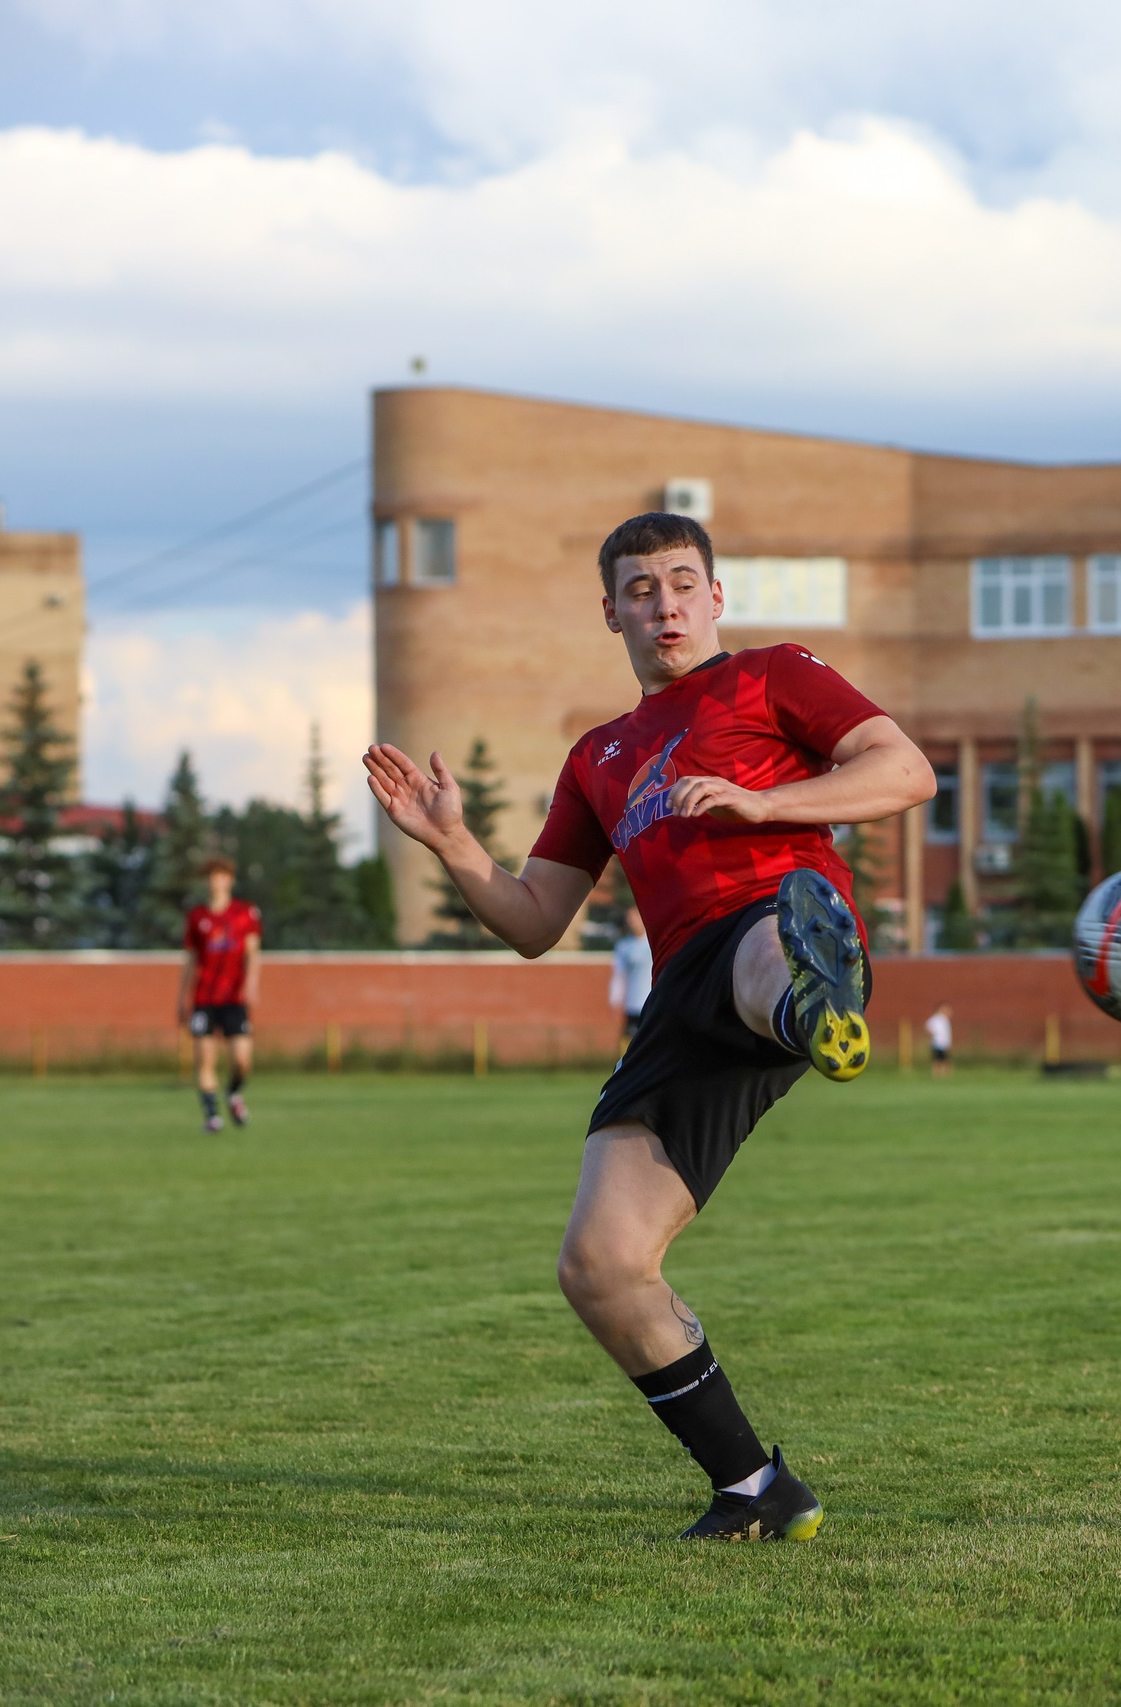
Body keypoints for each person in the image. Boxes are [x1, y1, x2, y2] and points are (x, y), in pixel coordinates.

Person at [364, 510, 934, 1543]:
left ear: (714, 596)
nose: (663, 605)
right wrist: (453, 845)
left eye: (680, 583)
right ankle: (757, 1490)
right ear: (611, 612)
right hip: (681, 997)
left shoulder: (771, 675)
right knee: (601, 1263)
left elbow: (906, 772)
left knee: (760, 944)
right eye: (639, 590)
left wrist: (765, 806)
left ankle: (811, 996)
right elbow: (535, 922)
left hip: (773, 911)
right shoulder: (597, 757)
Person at [178, 856, 262, 1133]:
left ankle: (234, 1093)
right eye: (212, 876)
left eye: (222, 876)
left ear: (230, 880)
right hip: (204, 998)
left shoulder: (245, 913)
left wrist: (251, 984)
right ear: (207, 881)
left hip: (234, 997)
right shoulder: (197, 917)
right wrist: (182, 998)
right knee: (205, 1060)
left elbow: (252, 954)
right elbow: (191, 960)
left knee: (242, 1060)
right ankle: (212, 1117)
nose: (217, 881)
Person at [609, 906, 653, 1044]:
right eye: (629, 919)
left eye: (635, 918)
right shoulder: (624, 946)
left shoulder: (654, 942)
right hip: (633, 1004)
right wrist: (615, 999)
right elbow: (619, 974)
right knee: (630, 1042)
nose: (632, 922)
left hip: (652, 1003)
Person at [924, 1003, 954, 1079]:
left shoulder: (945, 1020)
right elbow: (928, 1027)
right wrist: (932, 1035)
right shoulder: (935, 1019)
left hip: (945, 1043)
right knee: (937, 1059)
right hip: (937, 1042)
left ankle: (944, 1075)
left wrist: (948, 1042)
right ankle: (936, 1074)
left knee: (945, 1059)